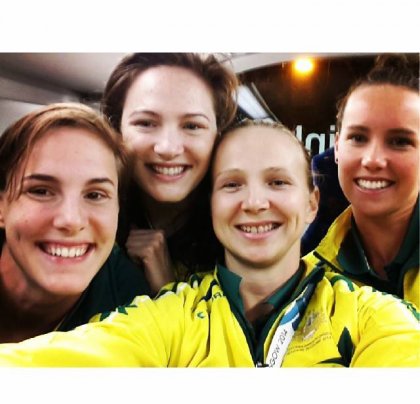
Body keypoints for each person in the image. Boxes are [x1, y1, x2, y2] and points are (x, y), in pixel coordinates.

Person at [0, 119, 418, 367]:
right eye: (232, 184)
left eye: (277, 182)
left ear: (311, 204)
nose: (255, 203)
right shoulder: (169, 314)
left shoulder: (372, 315)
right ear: (213, 205)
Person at [0, 103, 150, 343]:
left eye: (95, 195)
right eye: (41, 191)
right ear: (2, 206)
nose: (71, 220)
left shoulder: (131, 303)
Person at [101, 53, 238, 292]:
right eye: (145, 123)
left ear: (218, 136)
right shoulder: (89, 220)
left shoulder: (240, 228)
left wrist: (169, 291)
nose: (168, 148)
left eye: (192, 126)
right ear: (117, 130)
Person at [304, 55, 419, 309]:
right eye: (358, 137)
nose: (373, 160)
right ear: (336, 148)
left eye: (399, 141)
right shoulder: (306, 284)